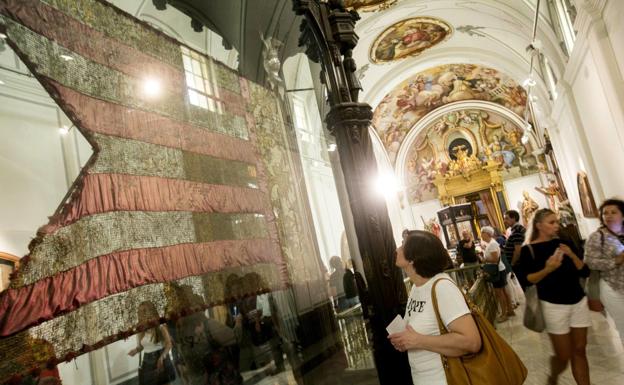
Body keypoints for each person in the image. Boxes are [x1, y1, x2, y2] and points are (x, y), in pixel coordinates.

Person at [389, 230, 481, 385]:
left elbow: (471, 342)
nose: (397, 249)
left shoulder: (442, 287)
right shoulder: (416, 287)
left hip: (446, 379)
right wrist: (404, 339)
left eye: (403, 245)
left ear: (413, 258)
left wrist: (418, 340)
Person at [515, 209, 590, 385]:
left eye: (557, 222)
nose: (556, 226)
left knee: (580, 350)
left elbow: (585, 271)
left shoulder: (564, 243)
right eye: (551, 222)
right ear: (539, 225)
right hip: (553, 305)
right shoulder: (529, 251)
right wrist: (548, 269)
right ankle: (554, 376)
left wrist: (571, 255)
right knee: (563, 355)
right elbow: (527, 280)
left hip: (578, 300)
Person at [584, 199, 624, 345]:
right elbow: (590, 262)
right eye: (605, 213)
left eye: (614, 212)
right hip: (612, 287)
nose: (608, 215)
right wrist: (615, 261)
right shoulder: (597, 237)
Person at [128, 301, 175, 385]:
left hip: (161, 357)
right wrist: (135, 351)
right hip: (147, 361)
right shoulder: (141, 330)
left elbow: (169, 344)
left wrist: (162, 357)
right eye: (140, 312)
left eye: (144, 311)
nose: (142, 314)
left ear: (151, 311)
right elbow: (141, 347)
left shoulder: (160, 327)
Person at [481, 226, 514, 322]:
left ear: (486, 234)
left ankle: (504, 314)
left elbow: (495, 259)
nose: (481, 236)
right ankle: (510, 310)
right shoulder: (491, 243)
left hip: (498, 271)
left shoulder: (492, 244)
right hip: (500, 269)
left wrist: (484, 259)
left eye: (482, 233)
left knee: (500, 293)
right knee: (503, 291)